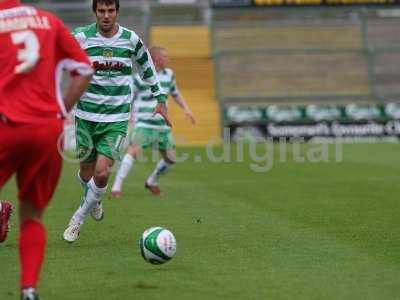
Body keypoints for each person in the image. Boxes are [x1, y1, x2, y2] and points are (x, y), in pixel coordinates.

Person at [0, 0, 93, 299]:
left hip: (6, 126)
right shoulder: (48, 21)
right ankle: (29, 289)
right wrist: (60, 109)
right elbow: (84, 70)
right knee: (32, 215)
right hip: (47, 131)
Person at [63, 0, 170, 243]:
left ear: (117, 12)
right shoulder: (80, 37)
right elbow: (57, 51)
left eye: (111, 11)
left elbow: (147, 67)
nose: (106, 15)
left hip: (117, 118)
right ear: (95, 12)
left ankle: (77, 219)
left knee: (101, 173)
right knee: (86, 173)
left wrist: (160, 97)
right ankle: (95, 199)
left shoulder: (131, 40)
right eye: (102, 11)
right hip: (86, 117)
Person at [111, 46, 195, 198]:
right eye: (165, 56)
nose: (168, 59)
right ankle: (117, 187)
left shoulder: (169, 75)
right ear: (156, 58)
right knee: (133, 151)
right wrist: (127, 115)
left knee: (171, 158)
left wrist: (187, 109)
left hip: (163, 125)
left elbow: (175, 94)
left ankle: (152, 181)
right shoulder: (140, 77)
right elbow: (128, 97)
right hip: (144, 123)